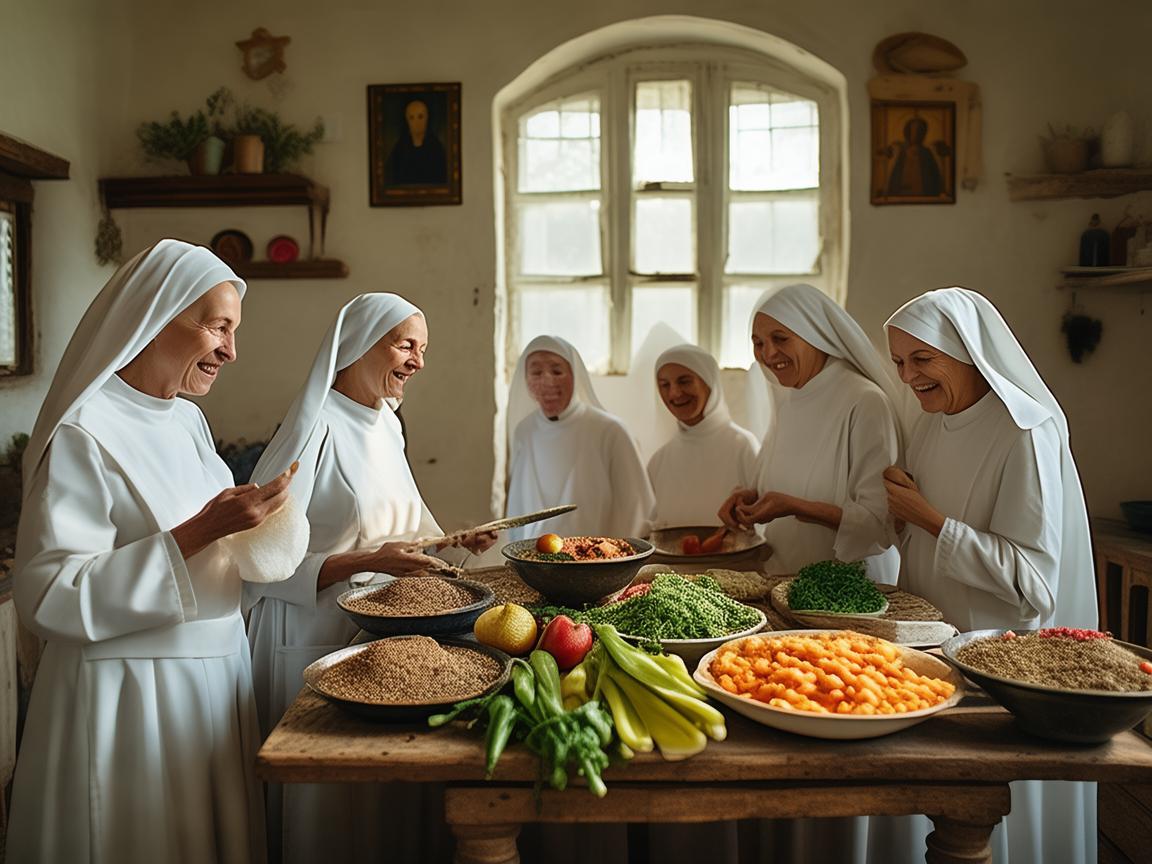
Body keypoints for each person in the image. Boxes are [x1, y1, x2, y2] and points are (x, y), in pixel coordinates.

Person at [7, 239, 294, 863]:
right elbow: (49, 594)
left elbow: (226, 551)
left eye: (233, 331)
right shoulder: (84, 430)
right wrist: (200, 531)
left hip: (216, 683)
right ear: (158, 316)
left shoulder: (187, 421)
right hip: (127, 700)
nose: (231, 350)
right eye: (217, 327)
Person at [244, 292, 494, 864]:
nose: (418, 361)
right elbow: (257, 565)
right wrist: (365, 563)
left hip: (381, 635)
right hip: (312, 630)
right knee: (325, 811)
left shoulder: (386, 424)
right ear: (357, 345)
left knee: (374, 801)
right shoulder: (313, 426)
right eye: (405, 345)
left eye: (422, 349)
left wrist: (455, 540)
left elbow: (404, 526)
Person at [872, 286, 1097, 864]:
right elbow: (922, 529)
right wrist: (905, 510)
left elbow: (1034, 584)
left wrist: (927, 517)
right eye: (899, 361)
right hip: (931, 661)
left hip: (995, 673)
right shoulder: (933, 419)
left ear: (968, 351)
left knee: (980, 828)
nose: (908, 376)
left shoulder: (1024, 432)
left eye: (922, 359)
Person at [718, 283, 904, 584]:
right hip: (787, 578)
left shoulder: (864, 401)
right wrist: (749, 497)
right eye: (758, 342)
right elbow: (781, 479)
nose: (768, 353)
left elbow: (880, 524)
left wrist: (794, 507)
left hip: (851, 587)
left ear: (816, 335)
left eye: (780, 338)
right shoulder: (789, 396)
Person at [505, 335, 654, 541]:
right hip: (535, 563)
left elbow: (636, 507)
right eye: (536, 372)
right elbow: (518, 506)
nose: (547, 380)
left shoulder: (610, 431)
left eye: (557, 371)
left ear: (576, 375)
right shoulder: (525, 431)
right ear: (525, 378)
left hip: (598, 563)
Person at [646, 343, 759, 528]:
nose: (674, 393)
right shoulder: (659, 460)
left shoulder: (743, 446)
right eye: (664, 385)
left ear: (709, 382)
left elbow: (764, 524)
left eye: (684, 381)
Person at [385, 98, 448, 185]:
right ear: (407, 121)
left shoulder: (437, 149)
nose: (416, 122)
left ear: (427, 118)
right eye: (411, 118)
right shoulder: (399, 150)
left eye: (420, 117)